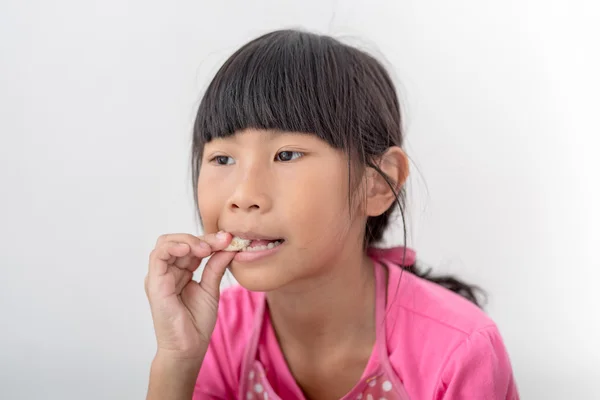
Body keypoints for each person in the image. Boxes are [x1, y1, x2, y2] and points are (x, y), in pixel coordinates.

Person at [145, 29, 519, 400]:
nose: (243, 196)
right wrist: (177, 361)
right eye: (222, 158)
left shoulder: (459, 352)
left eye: (286, 155)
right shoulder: (214, 332)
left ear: (378, 183)